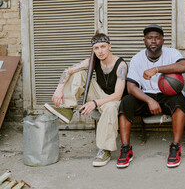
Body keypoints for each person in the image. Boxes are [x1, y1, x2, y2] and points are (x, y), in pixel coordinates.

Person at [44, 33, 127, 167]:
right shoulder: (93, 61)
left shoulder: (121, 65)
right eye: (96, 48)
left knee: (111, 107)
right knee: (80, 73)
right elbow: (68, 70)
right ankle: (68, 108)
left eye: (103, 47)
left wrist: (94, 103)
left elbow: (118, 95)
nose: (100, 51)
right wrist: (59, 88)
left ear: (109, 46)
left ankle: (104, 149)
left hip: (114, 100)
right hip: (99, 94)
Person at [117, 24, 185, 168]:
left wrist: (156, 69)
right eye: (150, 38)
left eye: (157, 38)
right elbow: (131, 87)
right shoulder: (137, 58)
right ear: (145, 41)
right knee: (126, 102)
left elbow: (184, 67)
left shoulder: (172, 53)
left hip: (167, 94)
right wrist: (149, 100)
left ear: (162, 40)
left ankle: (175, 146)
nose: (153, 41)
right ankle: (125, 149)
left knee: (179, 100)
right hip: (146, 95)